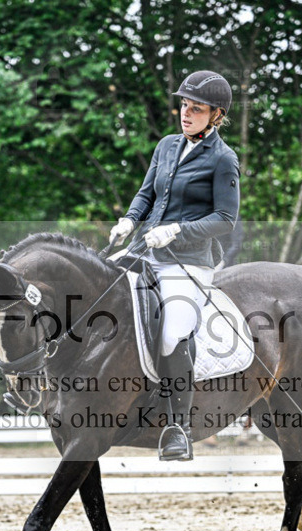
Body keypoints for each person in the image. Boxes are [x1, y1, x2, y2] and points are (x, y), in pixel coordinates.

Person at [109, 70, 241, 461]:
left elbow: (225, 219)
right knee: (96, 295)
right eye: (184, 105)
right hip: (143, 249)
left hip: (188, 263)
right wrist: (131, 219)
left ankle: (177, 428)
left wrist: (176, 231)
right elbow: (147, 191)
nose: (186, 113)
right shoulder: (167, 146)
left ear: (216, 115)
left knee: (172, 333)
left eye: (196, 108)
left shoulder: (223, 159)